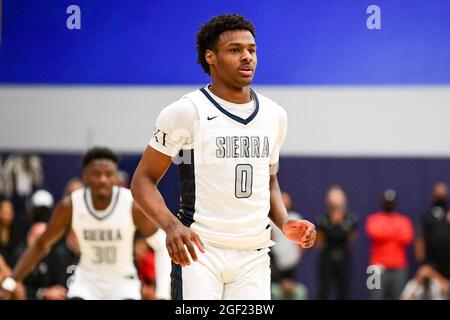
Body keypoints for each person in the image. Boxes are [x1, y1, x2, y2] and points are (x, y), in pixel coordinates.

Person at [131, 14, 316, 300]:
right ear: (211, 57)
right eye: (235, 50)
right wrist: (171, 226)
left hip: (254, 254)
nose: (247, 57)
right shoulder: (186, 111)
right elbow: (143, 180)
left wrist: (284, 222)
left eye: (251, 50)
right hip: (200, 251)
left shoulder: (275, 115)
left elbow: (268, 181)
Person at [0, 147, 171, 300]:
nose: (103, 179)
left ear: (115, 177)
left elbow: (162, 245)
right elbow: (41, 244)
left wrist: (163, 294)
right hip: (87, 282)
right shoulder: (71, 205)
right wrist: (11, 281)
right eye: (96, 174)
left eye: (108, 174)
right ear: (85, 177)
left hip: (123, 282)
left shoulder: (130, 204)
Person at [365, 189, 414, 300]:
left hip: (399, 268)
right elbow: (374, 233)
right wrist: (395, 231)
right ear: (382, 203)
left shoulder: (404, 220)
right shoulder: (373, 219)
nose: (389, 204)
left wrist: (386, 231)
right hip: (376, 267)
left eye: (391, 202)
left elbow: (407, 238)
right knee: (374, 297)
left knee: (400, 297)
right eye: (387, 202)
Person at [316, 185, 357, 300]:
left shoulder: (351, 219)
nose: (336, 204)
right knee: (324, 288)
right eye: (333, 200)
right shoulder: (322, 220)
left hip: (344, 256)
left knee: (344, 288)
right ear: (328, 201)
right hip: (327, 257)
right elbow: (319, 242)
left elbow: (351, 239)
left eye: (339, 200)